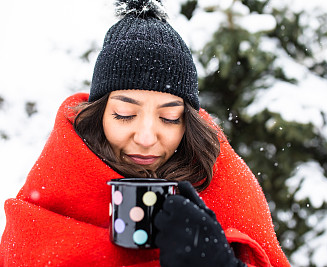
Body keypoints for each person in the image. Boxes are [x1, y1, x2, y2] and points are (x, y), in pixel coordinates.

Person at [0, 1, 290, 266]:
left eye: (169, 117)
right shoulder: (57, 184)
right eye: (124, 115)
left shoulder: (225, 186)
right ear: (99, 115)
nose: (147, 138)